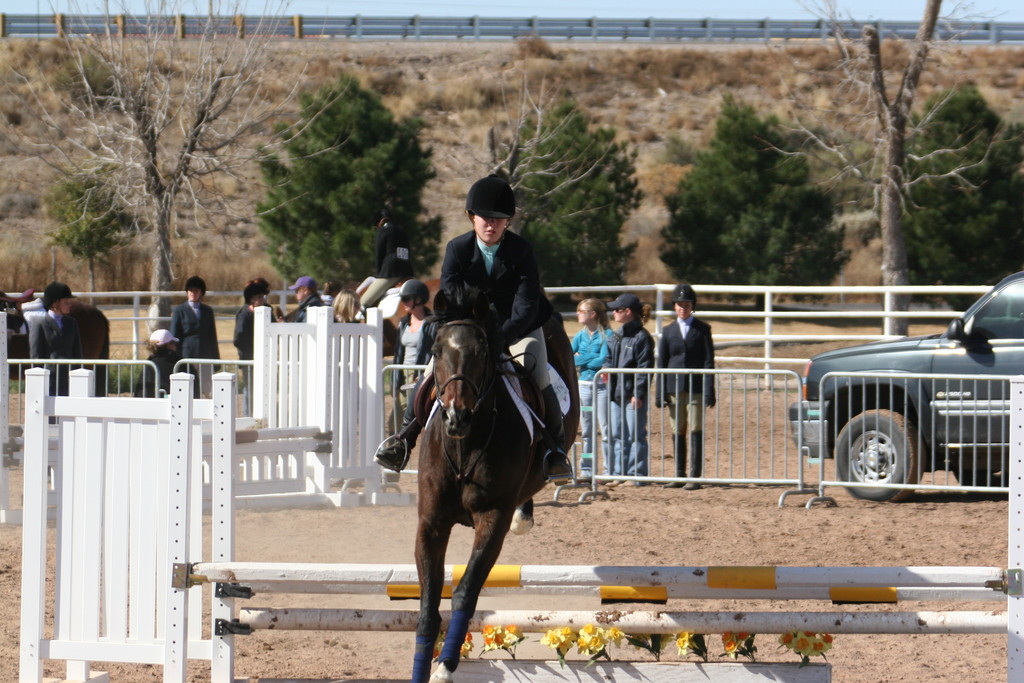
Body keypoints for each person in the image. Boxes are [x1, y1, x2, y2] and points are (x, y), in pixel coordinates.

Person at [373, 174, 572, 482]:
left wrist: (500, 337)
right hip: (470, 330)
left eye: (498, 219)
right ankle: (404, 439)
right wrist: (469, 334)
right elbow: (450, 296)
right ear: (472, 217)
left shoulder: (522, 251)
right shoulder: (457, 249)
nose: (491, 224)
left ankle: (555, 449)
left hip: (518, 328)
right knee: (429, 374)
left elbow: (525, 304)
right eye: (485, 218)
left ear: (507, 221)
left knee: (538, 373)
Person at [657, 284, 716, 490]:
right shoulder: (668, 331)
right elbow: (662, 362)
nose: (683, 308)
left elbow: (709, 361)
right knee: (677, 429)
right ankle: (679, 474)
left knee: (695, 427)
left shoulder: (702, 329)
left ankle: (695, 475)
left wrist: (709, 389)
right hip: (674, 386)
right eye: (680, 305)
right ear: (675, 307)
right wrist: (660, 391)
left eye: (687, 304)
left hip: (696, 386)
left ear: (693, 306)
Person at [603, 292, 654, 485]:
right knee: (618, 434)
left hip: (632, 394)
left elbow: (644, 368)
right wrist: (606, 368)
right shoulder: (616, 336)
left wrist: (638, 393)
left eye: (617, 309)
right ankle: (619, 473)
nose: (614, 313)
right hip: (615, 393)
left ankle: (637, 474)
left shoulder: (642, 337)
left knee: (635, 435)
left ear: (628, 312)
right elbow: (608, 358)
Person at [389, 279, 436, 436]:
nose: (403, 303)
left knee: (420, 422)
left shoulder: (432, 324)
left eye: (406, 298)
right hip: (403, 375)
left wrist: (424, 375)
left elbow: (434, 351)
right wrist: (394, 381)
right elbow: (398, 354)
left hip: (420, 376)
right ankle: (398, 456)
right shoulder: (403, 323)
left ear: (419, 299)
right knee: (394, 423)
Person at [571, 298, 613, 479]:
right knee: (586, 431)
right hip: (584, 386)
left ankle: (608, 469)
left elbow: (602, 359)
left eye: (582, 311)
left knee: (605, 429)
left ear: (593, 314)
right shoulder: (580, 335)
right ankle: (586, 469)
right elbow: (570, 358)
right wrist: (589, 357)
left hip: (602, 386)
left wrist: (582, 357)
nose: (578, 314)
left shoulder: (607, 335)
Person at [28, 281, 83, 396]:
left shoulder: (72, 323)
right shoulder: (40, 324)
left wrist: (78, 375)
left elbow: (78, 353)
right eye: (66, 302)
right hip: (50, 378)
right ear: (55, 303)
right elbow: (36, 355)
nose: (70, 305)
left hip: (69, 376)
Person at [170, 275, 219, 397]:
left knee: (208, 390)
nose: (193, 293)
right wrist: (175, 357)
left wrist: (216, 359)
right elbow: (175, 335)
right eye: (190, 290)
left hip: (205, 354)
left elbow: (212, 336)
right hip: (187, 355)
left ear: (201, 292)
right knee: (189, 390)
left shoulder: (208, 311)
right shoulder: (179, 311)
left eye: (196, 290)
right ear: (187, 292)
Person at [360, 208, 413, 310]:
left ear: (379, 222)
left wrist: (379, 274)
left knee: (364, 301)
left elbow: (379, 256)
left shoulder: (382, 231)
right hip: (408, 271)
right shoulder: (402, 230)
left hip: (390, 273)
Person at [234, 279, 271, 413]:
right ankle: (248, 416)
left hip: (266, 358)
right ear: (252, 299)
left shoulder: (268, 311)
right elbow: (238, 339)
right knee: (250, 390)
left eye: (263, 297)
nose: (262, 300)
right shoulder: (244, 315)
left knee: (265, 389)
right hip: (249, 359)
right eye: (259, 297)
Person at [133, 328, 182, 398]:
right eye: (173, 343)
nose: (175, 346)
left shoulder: (149, 365)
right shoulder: (180, 364)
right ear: (169, 345)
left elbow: (140, 394)